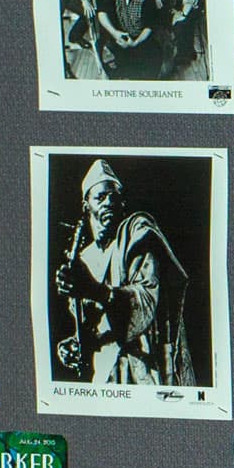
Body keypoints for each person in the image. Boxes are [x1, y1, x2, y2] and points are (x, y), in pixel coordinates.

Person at [53, 159, 196, 385]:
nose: (108, 202)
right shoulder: (83, 259)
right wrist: (76, 343)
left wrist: (93, 289)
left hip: (144, 368)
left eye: (114, 196)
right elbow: (95, 327)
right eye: (100, 197)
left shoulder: (137, 235)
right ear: (86, 206)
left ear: (122, 204)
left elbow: (147, 300)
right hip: (104, 373)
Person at [94, 0, 159, 82]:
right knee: (117, 68)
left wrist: (135, 43)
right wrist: (115, 34)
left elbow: (149, 26)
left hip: (141, 40)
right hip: (122, 38)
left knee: (145, 74)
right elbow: (101, 13)